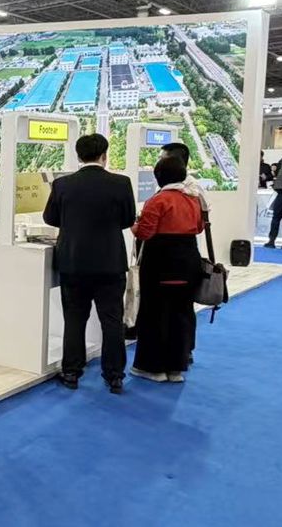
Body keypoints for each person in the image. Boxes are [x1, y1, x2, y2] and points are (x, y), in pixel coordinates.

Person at [43, 133, 136, 394]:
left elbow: (50, 218)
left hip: (73, 263)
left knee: (74, 319)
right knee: (112, 320)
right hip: (110, 264)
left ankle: (71, 372)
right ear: (104, 155)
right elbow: (128, 219)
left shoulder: (62, 184)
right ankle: (114, 376)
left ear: (78, 156)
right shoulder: (121, 183)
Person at [129, 156, 205, 384]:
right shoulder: (193, 199)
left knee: (154, 313)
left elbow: (145, 232)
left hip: (160, 263)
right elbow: (199, 227)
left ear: (159, 177)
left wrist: (134, 226)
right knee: (181, 314)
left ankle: (152, 368)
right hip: (188, 262)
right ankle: (176, 368)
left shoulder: (158, 200)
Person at [267, 154, 282, 249]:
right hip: (281, 190)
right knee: (276, 218)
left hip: (281, 191)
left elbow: (277, 170)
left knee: (276, 217)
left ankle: (271, 240)